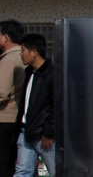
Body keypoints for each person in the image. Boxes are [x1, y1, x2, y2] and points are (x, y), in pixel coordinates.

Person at [14, 34, 55, 177]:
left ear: (34, 52)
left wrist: (49, 133)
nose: (21, 54)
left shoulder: (51, 74)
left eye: (23, 50)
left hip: (44, 135)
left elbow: (55, 105)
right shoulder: (29, 72)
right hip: (26, 131)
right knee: (22, 171)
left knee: (55, 170)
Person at [0, 20, 25, 177]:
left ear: (5, 37)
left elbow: (1, 92)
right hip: (17, 118)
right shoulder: (23, 55)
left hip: (5, 118)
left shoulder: (9, 59)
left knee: (4, 164)